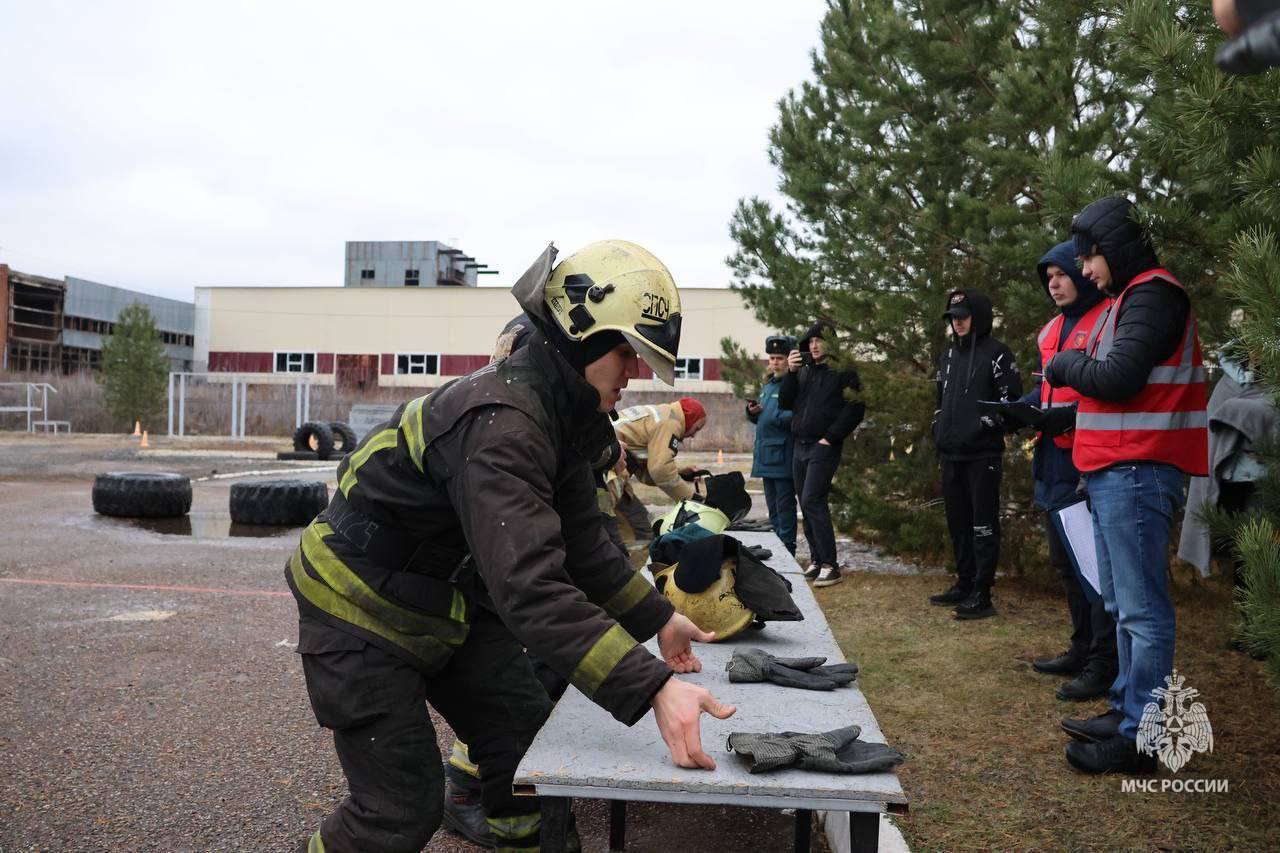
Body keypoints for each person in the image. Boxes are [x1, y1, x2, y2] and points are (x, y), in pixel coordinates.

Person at [287, 240, 734, 853]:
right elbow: (531, 588)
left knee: (527, 757)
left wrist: (660, 619)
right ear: (583, 337)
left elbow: (583, 546)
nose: (634, 374)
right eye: (627, 354)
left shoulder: (559, 416)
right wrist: (652, 685)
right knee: (398, 808)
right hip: (359, 606)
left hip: (446, 597)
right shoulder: (504, 425)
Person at [1047, 196, 1208, 775]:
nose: (1086, 270)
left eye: (1089, 257)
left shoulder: (1154, 295)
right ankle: (1127, 710)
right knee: (1120, 603)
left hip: (1137, 471)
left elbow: (1117, 378)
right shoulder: (1129, 300)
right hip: (1117, 470)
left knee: (1142, 609)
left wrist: (1063, 365)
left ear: (1114, 250)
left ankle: (1146, 736)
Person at [1020, 242, 1119, 700]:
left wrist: (1070, 417)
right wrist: (1015, 410)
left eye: (1061, 274)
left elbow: (1113, 389)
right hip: (1051, 458)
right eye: (1049, 278)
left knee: (1093, 568)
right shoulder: (1053, 329)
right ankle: (1082, 648)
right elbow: (1045, 393)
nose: (1054, 284)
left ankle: (1104, 662)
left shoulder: (1107, 319)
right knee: (1066, 562)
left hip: (1086, 459)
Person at [928, 290, 1022, 619]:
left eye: (963, 316)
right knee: (958, 523)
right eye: (953, 317)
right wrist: (938, 425)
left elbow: (1012, 403)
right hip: (951, 454)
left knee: (983, 525)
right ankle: (964, 582)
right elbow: (940, 399)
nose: (958, 322)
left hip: (983, 455)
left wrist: (984, 425)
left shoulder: (997, 353)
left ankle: (982, 593)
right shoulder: (948, 355)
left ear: (978, 317)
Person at [780, 322, 865, 587]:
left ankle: (831, 565)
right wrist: (790, 373)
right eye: (811, 341)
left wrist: (831, 438)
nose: (815, 345)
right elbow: (785, 402)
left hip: (824, 446)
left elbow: (855, 408)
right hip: (800, 444)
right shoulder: (804, 371)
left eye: (820, 340)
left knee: (813, 499)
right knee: (805, 503)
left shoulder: (844, 372)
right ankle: (817, 560)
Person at [610, 398, 708, 547]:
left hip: (606, 466)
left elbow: (647, 470)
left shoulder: (662, 414)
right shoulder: (671, 422)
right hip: (609, 472)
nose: (694, 435)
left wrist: (681, 473)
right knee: (640, 533)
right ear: (690, 418)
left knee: (627, 532)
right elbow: (660, 470)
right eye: (697, 428)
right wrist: (692, 500)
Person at [746, 335, 798, 555]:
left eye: (780, 358)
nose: (775, 362)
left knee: (784, 507)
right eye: (772, 358)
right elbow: (762, 417)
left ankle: (788, 549)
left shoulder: (792, 384)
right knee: (773, 508)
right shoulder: (768, 385)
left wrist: (772, 416)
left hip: (783, 454)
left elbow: (796, 415)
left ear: (789, 360)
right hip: (766, 454)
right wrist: (753, 412)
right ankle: (778, 548)